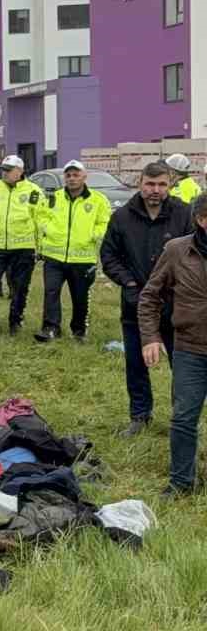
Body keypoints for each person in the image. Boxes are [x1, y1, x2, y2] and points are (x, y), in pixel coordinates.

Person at [101, 161, 192, 437]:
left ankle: (182, 417)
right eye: (150, 184)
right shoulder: (122, 217)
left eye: (161, 184)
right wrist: (128, 282)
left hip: (176, 305)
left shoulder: (183, 214)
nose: (155, 190)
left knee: (184, 364)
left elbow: (196, 252)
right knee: (136, 363)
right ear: (139, 183)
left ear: (170, 184)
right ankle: (140, 416)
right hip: (136, 303)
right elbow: (109, 256)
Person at [140, 194, 207, 497]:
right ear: (200, 220)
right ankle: (181, 483)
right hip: (190, 349)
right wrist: (151, 337)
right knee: (183, 417)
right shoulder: (177, 251)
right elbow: (150, 297)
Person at [34, 161, 111, 343]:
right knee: (51, 293)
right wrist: (48, 228)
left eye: (76, 175)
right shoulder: (54, 197)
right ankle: (51, 329)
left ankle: (79, 331)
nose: (71, 178)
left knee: (80, 297)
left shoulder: (98, 199)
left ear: (84, 177)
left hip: (83, 258)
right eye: (68, 175)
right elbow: (41, 215)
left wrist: (93, 234)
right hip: (54, 256)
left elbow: (105, 222)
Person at [0, 155, 41, 334]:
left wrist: (39, 247)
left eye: (9, 170)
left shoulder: (33, 191)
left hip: (23, 247)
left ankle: (15, 321)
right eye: (3, 169)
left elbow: (40, 220)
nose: (5, 173)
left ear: (20, 171)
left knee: (20, 287)